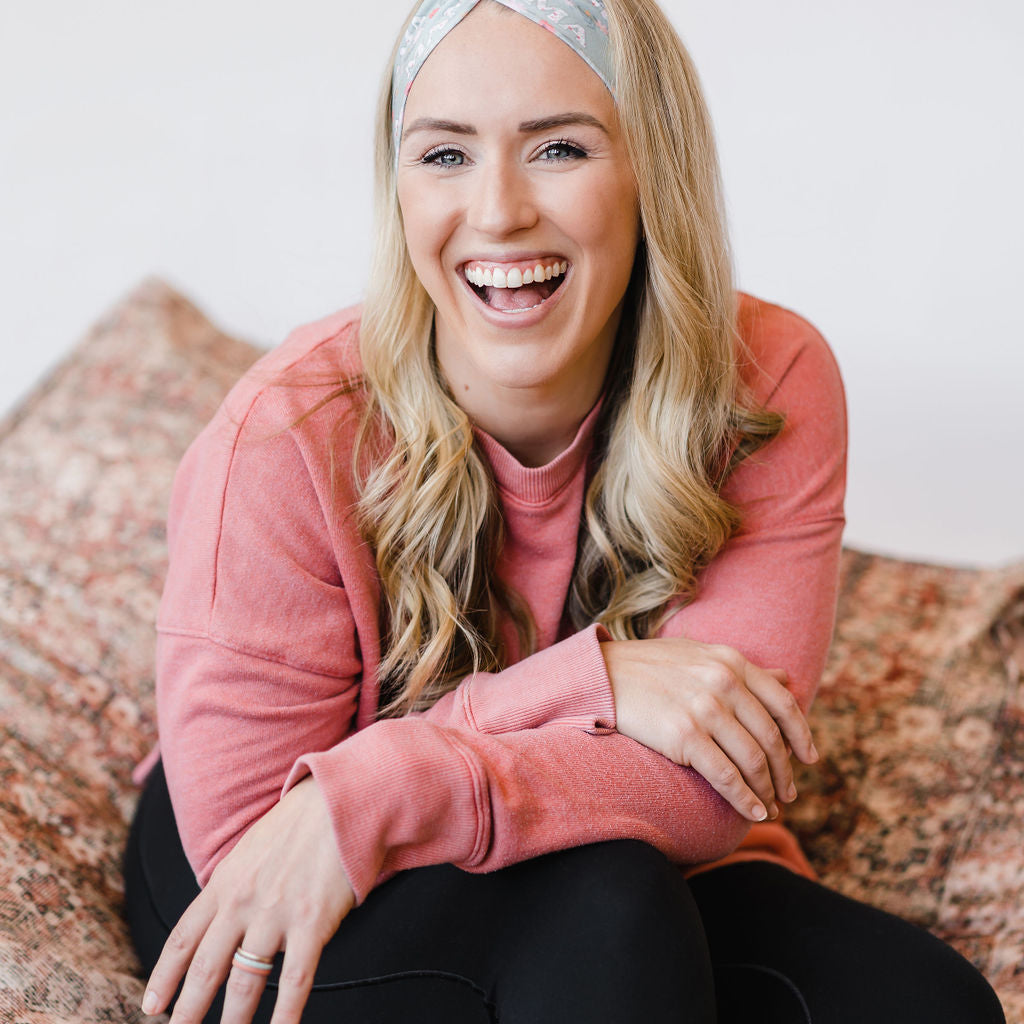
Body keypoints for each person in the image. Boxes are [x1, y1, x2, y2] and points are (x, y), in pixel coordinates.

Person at [123, 1, 1006, 1022]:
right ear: (398, 188)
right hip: (256, 854)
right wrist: (602, 683)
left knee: (921, 1001)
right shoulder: (286, 438)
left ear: (649, 168)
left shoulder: (768, 383)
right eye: (444, 155)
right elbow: (267, 841)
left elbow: (719, 788)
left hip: (589, 839)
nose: (497, 211)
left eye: (557, 147)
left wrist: (388, 782)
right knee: (612, 916)